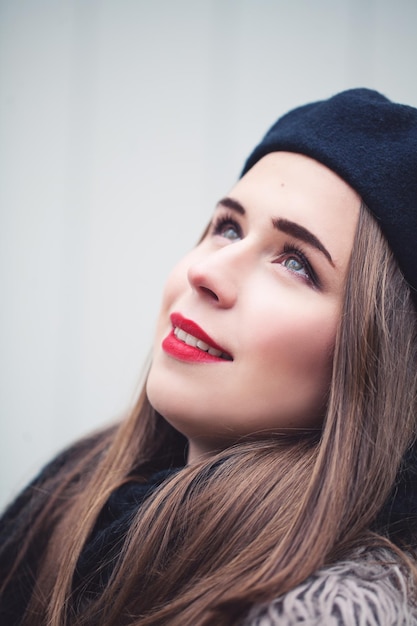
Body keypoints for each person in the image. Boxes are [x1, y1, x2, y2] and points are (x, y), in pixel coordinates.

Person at [1, 88, 417, 626]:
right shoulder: (65, 497)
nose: (207, 273)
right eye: (228, 228)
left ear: (381, 362)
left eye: (296, 263)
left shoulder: (327, 613)